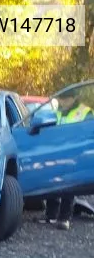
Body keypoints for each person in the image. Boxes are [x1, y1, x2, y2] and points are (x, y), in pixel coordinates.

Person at [40, 89, 93, 230]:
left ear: (74, 98)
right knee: (53, 184)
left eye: (65, 99)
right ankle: (50, 215)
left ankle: (64, 218)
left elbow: (88, 133)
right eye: (61, 99)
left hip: (75, 154)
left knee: (69, 186)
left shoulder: (85, 112)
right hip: (57, 153)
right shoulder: (58, 113)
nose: (62, 102)